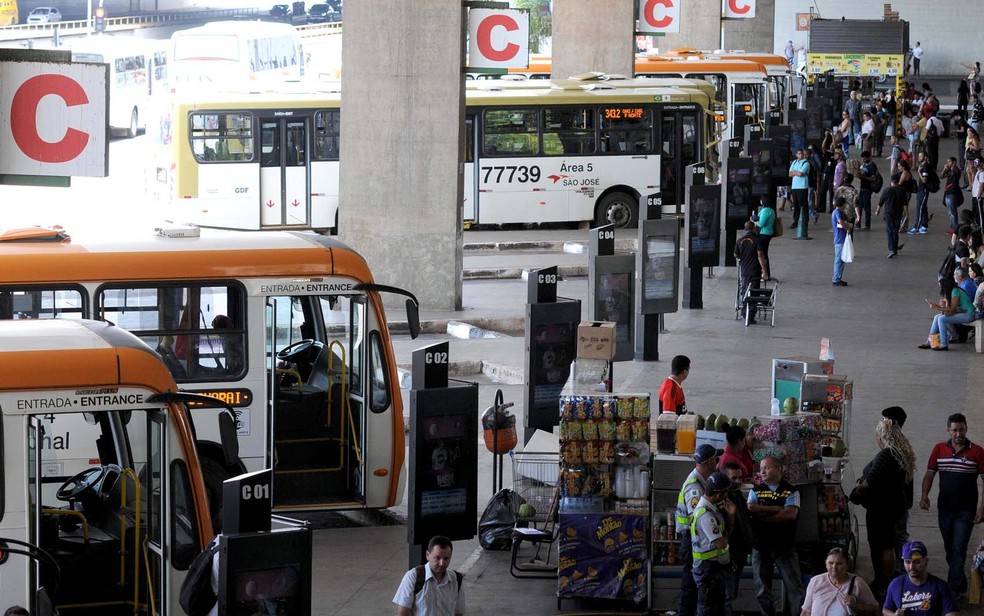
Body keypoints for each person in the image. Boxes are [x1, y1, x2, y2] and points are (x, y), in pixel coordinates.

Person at [919, 413, 984, 601]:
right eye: (954, 430)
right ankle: (960, 582)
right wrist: (924, 496)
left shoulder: (977, 452)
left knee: (959, 548)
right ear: (948, 431)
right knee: (950, 548)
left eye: (961, 430)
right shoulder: (939, 449)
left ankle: (953, 589)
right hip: (945, 509)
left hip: (966, 510)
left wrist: (982, 508)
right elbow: (929, 474)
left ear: (966, 430)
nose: (958, 434)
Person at [849, 418, 915, 600]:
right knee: (887, 544)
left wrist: (860, 486)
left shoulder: (886, 455)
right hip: (892, 506)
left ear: (881, 437)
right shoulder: (900, 454)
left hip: (882, 508)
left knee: (883, 546)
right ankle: (885, 581)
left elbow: (871, 479)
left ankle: (883, 583)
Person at [747, 457, 805, 616]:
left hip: (784, 547)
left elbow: (790, 514)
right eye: (761, 468)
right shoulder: (755, 490)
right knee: (762, 589)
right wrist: (777, 508)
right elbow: (751, 508)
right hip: (761, 547)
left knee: (795, 588)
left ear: (778, 469)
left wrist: (763, 515)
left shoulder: (792, 491)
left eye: (766, 467)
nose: (762, 471)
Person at [676, 443, 723, 616]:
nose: (718, 464)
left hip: (694, 540)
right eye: (716, 460)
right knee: (690, 587)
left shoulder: (702, 481)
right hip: (692, 542)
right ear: (710, 463)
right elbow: (698, 516)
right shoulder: (694, 487)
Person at [691, 471, 735, 616]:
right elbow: (720, 543)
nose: (727, 496)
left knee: (716, 608)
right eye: (725, 493)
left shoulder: (712, 509)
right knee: (707, 609)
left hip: (714, 568)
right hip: (707, 569)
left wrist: (730, 516)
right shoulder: (706, 515)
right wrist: (726, 538)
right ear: (718, 495)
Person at [393, 535, 465, 616]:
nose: (442, 563)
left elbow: (458, 613)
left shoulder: (456, 580)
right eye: (437, 558)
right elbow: (403, 612)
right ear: (427, 555)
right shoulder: (413, 576)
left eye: (446, 558)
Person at [883, 541, 958, 616]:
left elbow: (952, 613)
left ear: (926, 561)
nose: (911, 567)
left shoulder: (940, 586)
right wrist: (894, 615)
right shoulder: (896, 584)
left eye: (916, 562)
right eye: (907, 562)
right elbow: (886, 609)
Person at [800, 547, 879, 616]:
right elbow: (806, 611)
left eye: (839, 563)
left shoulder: (857, 583)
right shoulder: (815, 581)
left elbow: (876, 609)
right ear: (826, 564)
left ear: (847, 565)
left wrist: (856, 606)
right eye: (830, 563)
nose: (834, 567)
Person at [722, 461, 754, 614]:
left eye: (740, 478)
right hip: (729, 554)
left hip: (739, 553)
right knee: (726, 595)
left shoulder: (738, 496)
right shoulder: (723, 500)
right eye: (734, 478)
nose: (738, 481)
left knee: (731, 592)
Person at [918, 268, 977, 350]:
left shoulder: (955, 291)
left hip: (969, 314)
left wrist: (938, 307)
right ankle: (930, 341)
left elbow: (952, 309)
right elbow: (949, 310)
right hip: (963, 312)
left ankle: (944, 344)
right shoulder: (951, 291)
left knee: (942, 319)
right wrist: (941, 307)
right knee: (937, 317)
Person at [734, 222, 765, 325]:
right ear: (753, 229)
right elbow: (760, 255)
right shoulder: (757, 240)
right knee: (754, 292)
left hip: (744, 271)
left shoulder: (739, 241)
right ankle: (750, 316)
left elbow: (736, 255)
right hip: (754, 270)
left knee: (745, 290)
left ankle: (744, 312)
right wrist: (765, 271)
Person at [875, 173, 908, 258]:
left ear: (891, 181)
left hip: (888, 213)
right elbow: (905, 203)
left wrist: (877, 210)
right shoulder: (902, 190)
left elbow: (881, 202)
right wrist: (906, 214)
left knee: (889, 231)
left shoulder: (887, 190)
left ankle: (891, 249)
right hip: (898, 213)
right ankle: (895, 249)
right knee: (895, 231)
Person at [831, 197, 853, 287]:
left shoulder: (835, 212)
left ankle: (838, 277)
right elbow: (840, 222)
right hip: (840, 239)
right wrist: (847, 227)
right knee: (839, 260)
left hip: (839, 238)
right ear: (843, 204)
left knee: (840, 260)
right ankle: (836, 279)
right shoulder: (838, 213)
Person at [752, 196, 775, 279]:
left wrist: (754, 221)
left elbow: (761, 224)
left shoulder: (765, 211)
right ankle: (766, 273)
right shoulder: (771, 210)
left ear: (763, 201)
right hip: (768, 234)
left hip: (763, 234)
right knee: (764, 253)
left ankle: (764, 274)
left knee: (761, 254)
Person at [942, 157, 965, 234]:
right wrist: (944, 169)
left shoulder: (956, 170)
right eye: (947, 161)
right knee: (950, 212)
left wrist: (953, 166)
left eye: (950, 162)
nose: (948, 163)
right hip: (947, 193)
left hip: (953, 193)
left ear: (954, 162)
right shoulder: (948, 170)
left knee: (953, 212)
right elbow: (941, 176)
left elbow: (954, 170)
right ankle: (953, 227)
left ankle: (954, 229)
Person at [789, 149, 811, 230]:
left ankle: (804, 221)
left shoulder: (806, 163)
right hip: (794, 187)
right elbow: (789, 174)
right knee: (796, 205)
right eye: (799, 154)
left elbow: (801, 174)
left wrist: (794, 172)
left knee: (803, 205)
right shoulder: (794, 162)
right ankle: (796, 221)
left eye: (802, 154)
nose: (800, 155)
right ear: (796, 154)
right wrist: (796, 173)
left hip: (802, 187)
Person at [857, 151, 878, 230]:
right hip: (862, 187)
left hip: (867, 189)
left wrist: (863, 177)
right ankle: (858, 223)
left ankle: (867, 225)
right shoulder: (864, 165)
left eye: (865, 158)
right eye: (863, 158)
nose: (863, 160)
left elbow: (873, 178)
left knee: (867, 207)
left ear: (869, 157)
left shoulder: (872, 166)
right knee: (859, 206)